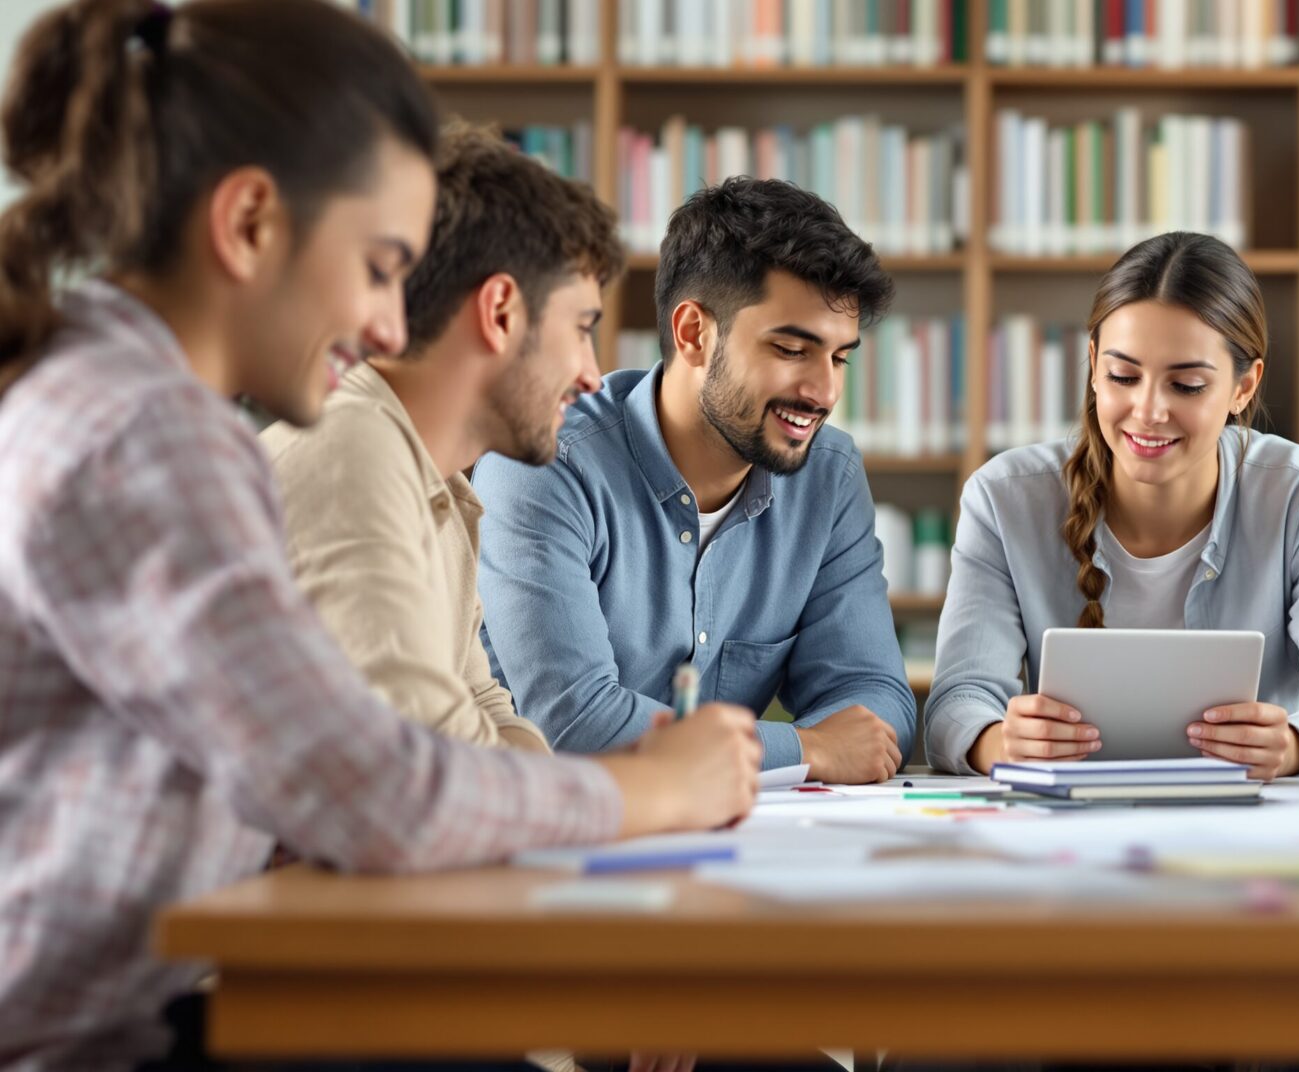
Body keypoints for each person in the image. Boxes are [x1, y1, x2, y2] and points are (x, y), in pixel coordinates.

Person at [0, 3, 758, 1067]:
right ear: (251, 223)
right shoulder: (145, 434)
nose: (392, 328)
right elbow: (373, 789)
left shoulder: (120, 400)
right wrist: (657, 787)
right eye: (379, 264)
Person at [473, 176, 915, 785]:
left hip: (727, 840)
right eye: (792, 349)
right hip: (548, 839)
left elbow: (874, 701)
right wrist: (807, 749)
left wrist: (838, 740)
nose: (825, 392)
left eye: (840, 357)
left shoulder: (828, 477)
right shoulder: (544, 461)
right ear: (694, 335)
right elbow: (573, 722)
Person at [924, 231, 1299, 779]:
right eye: (1124, 376)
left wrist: (1294, 745)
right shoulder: (1005, 496)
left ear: (1244, 387)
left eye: (1187, 385)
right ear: (1094, 365)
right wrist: (999, 742)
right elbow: (956, 703)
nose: (1148, 412)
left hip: (1252, 830)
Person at [261, 122, 618, 756]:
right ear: (501, 311)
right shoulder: (350, 451)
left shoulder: (441, 481)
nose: (593, 376)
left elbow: (483, 713)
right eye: (582, 328)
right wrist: (661, 786)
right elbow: (426, 763)